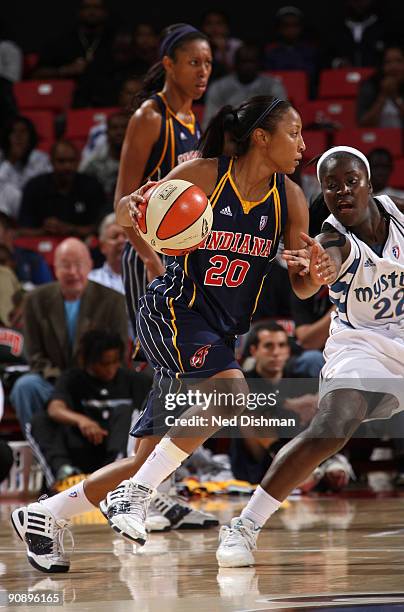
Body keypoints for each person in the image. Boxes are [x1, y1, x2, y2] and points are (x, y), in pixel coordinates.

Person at [11, 94, 308, 573]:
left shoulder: (289, 198)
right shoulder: (204, 177)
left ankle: (44, 514)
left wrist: (312, 271)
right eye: (294, 133)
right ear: (261, 137)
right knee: (231, 395)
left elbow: (302, 282)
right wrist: (138, 207)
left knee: (147, 458)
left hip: (218, 330)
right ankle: (137, 495)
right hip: (173, 310)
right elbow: (131, 217)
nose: (302, 144)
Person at [212, 145, 404, 567]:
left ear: (370, 184)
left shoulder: (399, 213)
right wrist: (316, 273)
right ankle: (244, 526)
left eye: (352, 181)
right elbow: (308, 283)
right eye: (332, 186)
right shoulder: (330, 238)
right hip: (362, 346)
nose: (343, 191)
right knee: (331, 428)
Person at [116, 23, 212, 334]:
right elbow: (122, 202)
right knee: (156, 357)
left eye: (208, 63)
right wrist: (149, 260)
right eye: (194, 62)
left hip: (182, 251)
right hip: (148, 249)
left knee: (188, 359)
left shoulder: (193, 120)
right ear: (169, 64)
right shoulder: (150, 117)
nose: (203, 72)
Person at [9, 237, 128, 434]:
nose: (73, 272)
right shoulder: (35, 300)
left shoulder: (113, 301)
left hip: (95, 382)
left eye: (79, 265)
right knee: (25, 386)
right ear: (55, 268)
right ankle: (40, 449)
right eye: (66, 265)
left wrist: (84, 380)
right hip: (51, 381)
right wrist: (62, 382)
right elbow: (34, 355)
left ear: (90, 265)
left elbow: (118, 355)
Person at [28, 329, 151, 488]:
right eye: (104, 363)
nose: (111, 369)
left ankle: (118, 474)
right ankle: (65, 474)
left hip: (120, 453)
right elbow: (54, 409)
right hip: (82, 451)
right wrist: (82, 421)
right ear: (86, 360)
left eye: (115, 362)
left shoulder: (136, 381)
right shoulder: (72, 379)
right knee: (40, 421)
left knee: (128, 412)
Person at [17, 140, 106, 239]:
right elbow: (21, 230)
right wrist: (44, 230)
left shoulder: (91, 186)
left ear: (79, 161)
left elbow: (100, 228)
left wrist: (71, 229)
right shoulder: (34, 187)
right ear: (51, 161)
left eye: (72, 161)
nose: (67, 166)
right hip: (41, 246)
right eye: (61, 161)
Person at [202, 43, 287, 129]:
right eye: (243, 61)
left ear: (259, 64)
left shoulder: (272, 86)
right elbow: (209, 123)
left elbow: (283, 118)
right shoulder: (219, 87)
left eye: (251, 61)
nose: (247, 66)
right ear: (235, 64)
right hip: (229, 136)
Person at [80, 111, 129, 207]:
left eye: (123, 127)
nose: (119, 132)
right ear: (107, 132)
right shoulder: (94, 165)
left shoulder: (140, 162)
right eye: (114, 128)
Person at [0, 115, 51, 194]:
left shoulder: (42, 159)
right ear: (7, 136)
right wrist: (10, 160)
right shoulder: (1, 156)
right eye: (13, 131)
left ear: (30, 136)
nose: (18, 136)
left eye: (23, 131)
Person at [357, 45, 404, 128]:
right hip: (378, 139)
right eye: (388, 62)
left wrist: (395, 97)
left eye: (399, 61)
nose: (394, 67)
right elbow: (363, 124)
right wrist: (383, 95)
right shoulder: (370, 87)